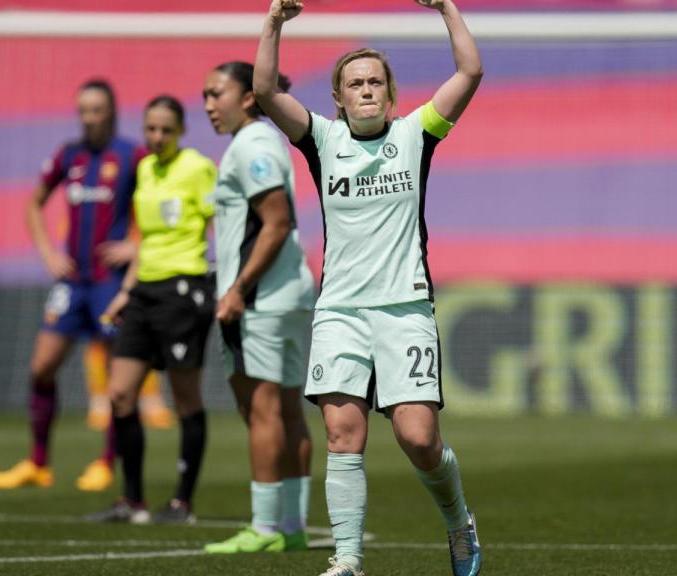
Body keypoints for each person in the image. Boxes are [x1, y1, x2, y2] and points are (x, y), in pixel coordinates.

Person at [253, 1, 484, 575]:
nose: (365, 90)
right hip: (340, 310)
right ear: (338, 97)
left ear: (390, 93)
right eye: (355, 83)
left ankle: (459, 521)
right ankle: (349, 560)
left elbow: (470, 72)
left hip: (405, 307)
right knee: (341, 434)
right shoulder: (321, 140)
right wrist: (274, 22)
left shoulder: (415, 134)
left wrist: (446, 8)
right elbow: (264, 92)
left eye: (375, 81)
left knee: (419, 438)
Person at [0, 79, 141, 493]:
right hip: (72, 282)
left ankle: (107, 462)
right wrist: (47, 253)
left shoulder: (132, 156)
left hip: (110, 283)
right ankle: (38, 463)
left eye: (97, 110)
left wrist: (135, 246)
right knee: (41, 367)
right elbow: (34, 203)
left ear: (111, 112)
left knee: (117, 380)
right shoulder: (68, 155)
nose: (89, 118)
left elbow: (158, 204)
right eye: (83, 110)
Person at [200, 61, 315, 553]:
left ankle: (264, 529)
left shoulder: (251, 145)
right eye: (205, 96)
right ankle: (291, 526)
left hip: (261, 300)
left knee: (261, 411)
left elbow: (277, 221)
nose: (209, 104)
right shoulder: (264, 141)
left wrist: (238, 289)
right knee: (287, 411)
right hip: (288, 294)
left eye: (216, 93)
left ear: (248, 97)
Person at [88, 95, 217, 524]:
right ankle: (132, 500)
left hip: (183, 290)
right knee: (120, 394)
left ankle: (183, 502)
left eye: (166, 129)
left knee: (185, 400)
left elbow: (222, 219)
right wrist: (126, 291)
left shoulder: (197, 168)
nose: (157, 136)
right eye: (151, 129)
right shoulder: (144, 169)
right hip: (143, 291)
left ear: (180, 131)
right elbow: (144, 239)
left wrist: (227, 279)